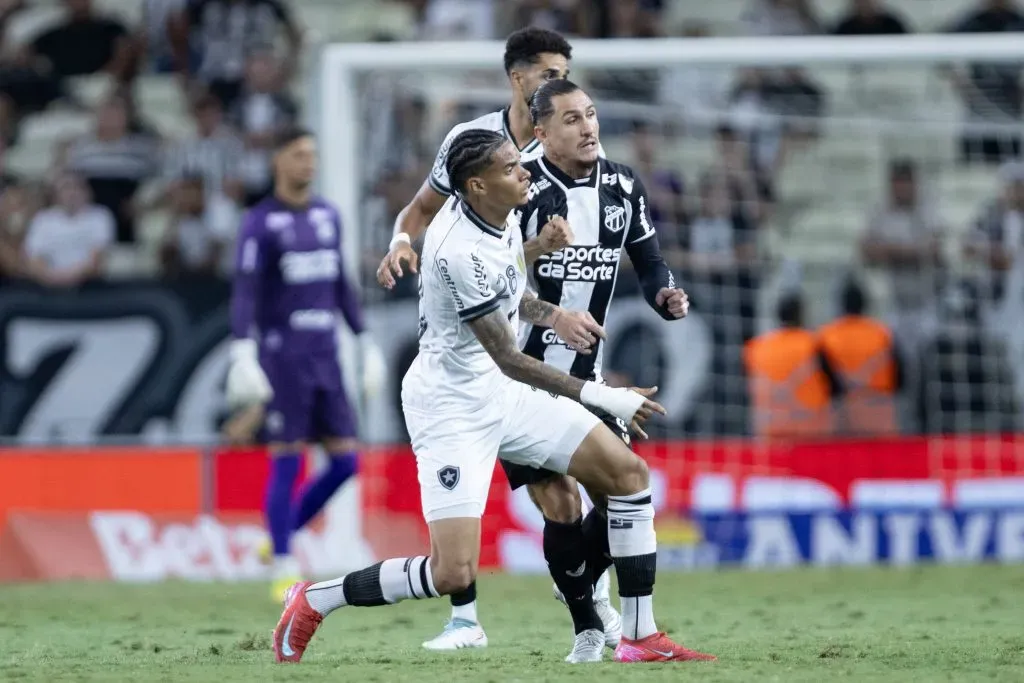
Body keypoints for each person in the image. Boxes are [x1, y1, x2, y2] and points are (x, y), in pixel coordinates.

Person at [272, 128, 717, 665]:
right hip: (451, 408)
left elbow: (509, 286)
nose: (525, 172)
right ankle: (315, 598)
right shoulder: (456, 250)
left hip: (500, 392)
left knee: (628, 475)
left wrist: (553, 312)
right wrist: (603, 396)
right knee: (452, 573)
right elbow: (508, 355)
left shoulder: (500, 215)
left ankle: (639, 637)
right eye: (510, 168)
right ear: (478, 185)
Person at [376, 27, 621, 652]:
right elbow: (423, 211)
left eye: (566, 74)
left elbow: (558, 248)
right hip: (497, 352)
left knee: (616, 482)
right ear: (518, 79)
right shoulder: (477, 147)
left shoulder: (575, 143)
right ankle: (584, 614)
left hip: (548, 334)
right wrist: (401, 241)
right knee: (559, 499)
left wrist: (558, 298)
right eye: (549, 74)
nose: (560, 85)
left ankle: (584, 597)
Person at [511, 79, 693, 661]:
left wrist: (665, 293)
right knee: (562, 505)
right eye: (571, 119)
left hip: (587, 381)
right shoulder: (517, 187)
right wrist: (550, 311)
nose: (588, 127)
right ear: (542, 132)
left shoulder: (622, 185)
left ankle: (579, 585)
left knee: (624, 495)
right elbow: (488, 282)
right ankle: (591, 626)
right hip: (521, 378)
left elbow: (650, 261)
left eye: (590, 115)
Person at [225, 127, 385, 602]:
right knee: (288, 457)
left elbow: (340, 283)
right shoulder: (260, 222)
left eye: (312, 154)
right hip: (284, 355)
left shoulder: (327, 216)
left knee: (346, 462)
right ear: (278, 160)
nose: (308, 162)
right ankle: (282, 563)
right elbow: (246, 290)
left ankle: (279, 534)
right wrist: (242, 349)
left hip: (326, 354)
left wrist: (364, 341)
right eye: (298, 154)